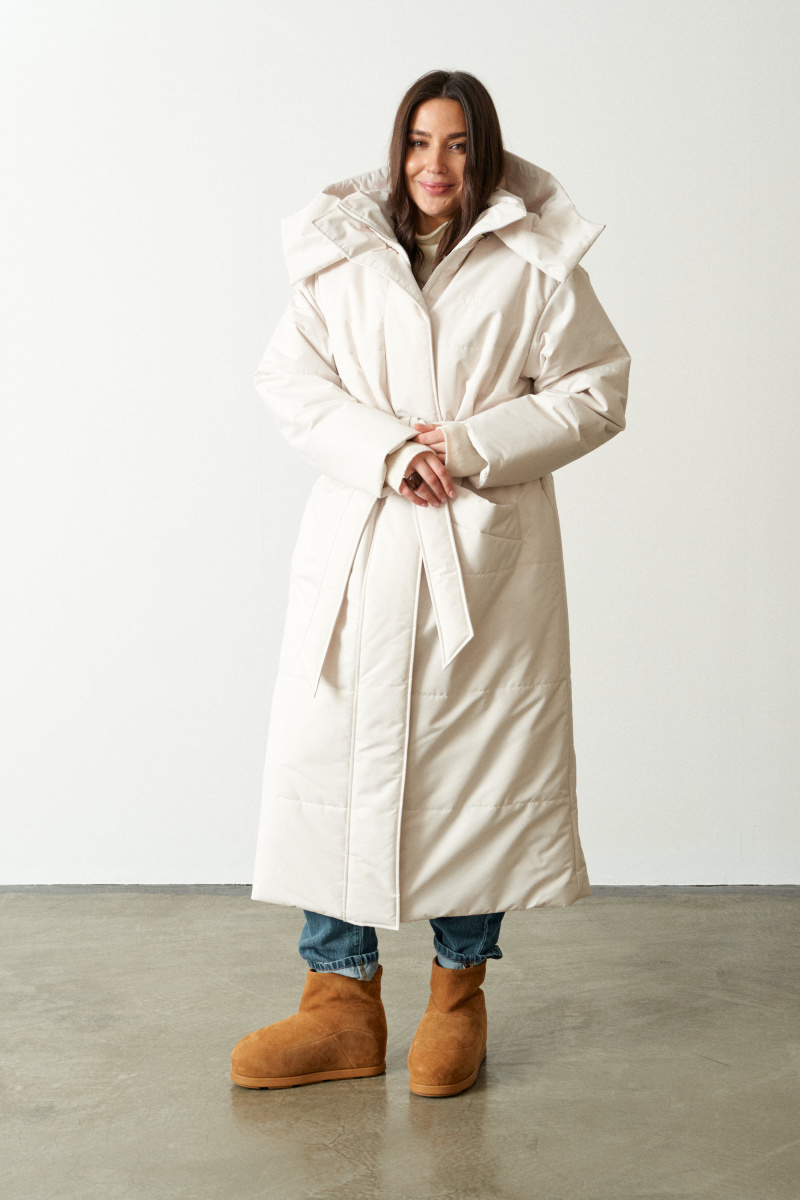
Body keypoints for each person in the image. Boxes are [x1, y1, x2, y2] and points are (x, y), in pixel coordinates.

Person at [231, 69, 631, 1098]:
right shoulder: (341, 251)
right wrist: (385, 451)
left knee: (474, 768)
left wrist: (463, 446)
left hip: (477, 552)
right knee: (331, 756)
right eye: (418, 141)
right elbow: (289, 378)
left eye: (455, 143)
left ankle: (457, 996)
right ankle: (339, 1002)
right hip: (364, 543)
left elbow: (596, 390)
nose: (434, 164)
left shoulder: (535, 261)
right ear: (396, 148)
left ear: (481, 151)